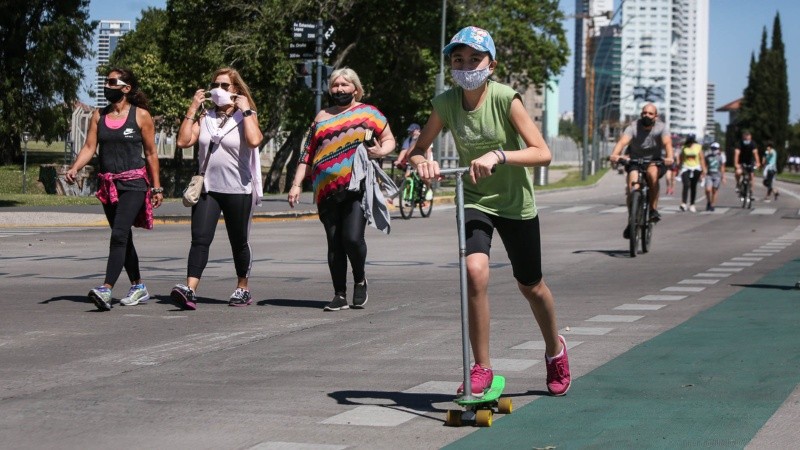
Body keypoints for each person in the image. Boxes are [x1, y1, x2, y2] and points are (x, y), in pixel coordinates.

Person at [409, 26, 571, 397]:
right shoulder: (446, 103)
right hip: (475, 200)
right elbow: (418, 151)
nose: (466, 66)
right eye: (458, 59)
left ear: (491, 65)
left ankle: (555, 350)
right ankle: (481, 366)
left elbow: (542, 152)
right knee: (474, 271)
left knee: (532, 286)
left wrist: (499, 155)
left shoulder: (505, 99)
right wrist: (423, 164)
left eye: (474, 59)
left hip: (516, 205)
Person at [287, 67, 396, 311]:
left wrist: (381, 151)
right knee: (334, 243)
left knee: (352, 238)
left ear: (355, 89)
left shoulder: (369, 113)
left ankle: (360, 279)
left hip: (357, 186)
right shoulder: (321, 117)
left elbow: (389, 138)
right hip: (325, 190)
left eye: (344, 85)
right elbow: (307, 153)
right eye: (335, 85)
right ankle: (339, 294)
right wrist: (296, 184)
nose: (339, 89)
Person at [65, 67, 163, 311]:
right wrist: (75, 167)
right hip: (108, 185)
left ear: (126, 88)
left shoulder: (141, 116)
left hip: (134, 184)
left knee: (118, 234)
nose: (106, 86)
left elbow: (151, 153)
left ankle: (106, 289)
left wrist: (157, 188)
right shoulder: (99, 115)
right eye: (105, 82)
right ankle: (138, 286)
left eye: (111, 82)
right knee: (124, 237)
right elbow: (90, 147)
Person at [171, 67, 263, 310]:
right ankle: (190, 288)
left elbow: (254, 141)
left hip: (238, 188)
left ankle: (243, 288)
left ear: (236, 90)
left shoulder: (245, 116)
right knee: (199, 239)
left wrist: (246, 110)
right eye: (215, 85)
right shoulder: (205, 117)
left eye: (225, 86)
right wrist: (192, 109)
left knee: (239, 241)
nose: (218, 90)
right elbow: (183, 141)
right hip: (207, 189)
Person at [609, 103, 674, 237]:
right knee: (632, 188)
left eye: (650, 113)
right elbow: (622, 142)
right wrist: (615, 154)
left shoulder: (661, 128)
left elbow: (667, 143)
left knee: (652, 175)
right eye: (644, 113)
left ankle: (653, 210)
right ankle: (631, 221)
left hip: (653, 161)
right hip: (635, 161)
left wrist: (670, 157)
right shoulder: (633, 127)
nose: (647, 115)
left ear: (656, 116)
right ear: (641, 114)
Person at [677, 133, 706, 212]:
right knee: (686, 185)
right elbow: (681, 158)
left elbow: (702, 159)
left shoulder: (698, 147)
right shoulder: (684, 147)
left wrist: (703, 170)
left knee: (693, 186)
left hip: (696, 168)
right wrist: (678, 168)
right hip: (686, 168)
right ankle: (683, 203)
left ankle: (692, 204)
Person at [734, 130, 760, 200]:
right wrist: (736, 164)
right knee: (738, 172)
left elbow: (755, 154)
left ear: (750, 138)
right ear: (743, 138)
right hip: (741, 161)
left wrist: (758, 162)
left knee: (751, 176)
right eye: (746, 139)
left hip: (750, 161)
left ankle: (751, 192)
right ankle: (738, 184)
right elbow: (737, 154)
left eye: (749, 139)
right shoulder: (739, 143)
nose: (747, 140)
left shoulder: (753, 144)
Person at [703, 142, 725, 211]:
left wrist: (723, 177)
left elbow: (722, 167)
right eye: (712, 148)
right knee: (708, 190)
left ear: (718, 149)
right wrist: (703, 174)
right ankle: (708, 202)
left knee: (714, 191)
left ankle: (712, 204)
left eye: (715, 148)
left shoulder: (720, 157)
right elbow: (705, 166)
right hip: (709, 175)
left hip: (717, 176)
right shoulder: (708, 157)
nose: (714, 150)